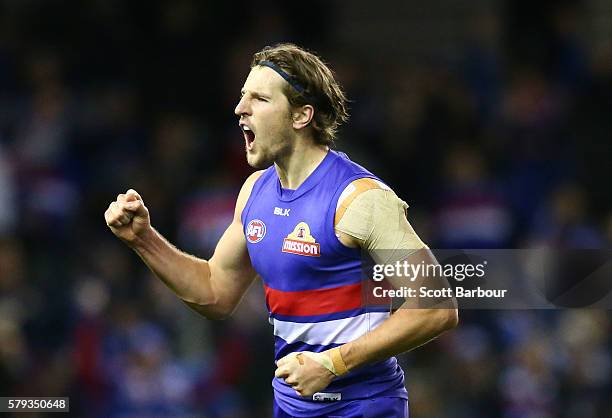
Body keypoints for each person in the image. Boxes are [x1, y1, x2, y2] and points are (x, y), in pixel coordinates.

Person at [105, 43, 458, 418]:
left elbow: (436, 308)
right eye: (243, 97)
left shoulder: (360, 199)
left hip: (363, 408)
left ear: (301, 116)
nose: (240, 109)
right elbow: (214, 292)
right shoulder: (254, 192)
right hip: (291, 407)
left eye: (259, 98)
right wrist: (144, 240)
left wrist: (332, 363)